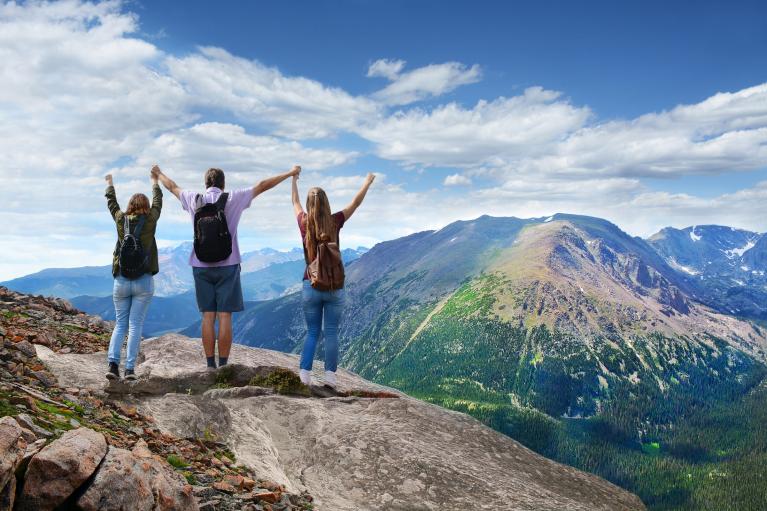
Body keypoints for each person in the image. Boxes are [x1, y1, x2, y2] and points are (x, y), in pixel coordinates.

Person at [153, 164, 301, 369]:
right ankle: (223, 365)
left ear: (206, 184)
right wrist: (289, 173)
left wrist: (158, 174)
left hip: (200, 264)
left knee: (207, 316)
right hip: (229, 265)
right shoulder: (233, 198)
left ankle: (209, 365)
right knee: (224, 316)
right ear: (223, 184)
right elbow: (263, 185)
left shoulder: (192, 198)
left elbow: (172, 186)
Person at [292, 171, 375, 388]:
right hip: (334, 287)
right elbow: (355, 204)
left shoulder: (304, 222)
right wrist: (367, 182)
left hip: (310, 285)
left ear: (310, 205)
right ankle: (330, 378)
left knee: (312, 332)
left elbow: (295, 201)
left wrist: (293, 178)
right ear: (327, 203)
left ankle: (304, 377)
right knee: (331, 333)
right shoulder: (335, 221)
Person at [104, 167, 163, 381]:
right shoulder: (151, 220)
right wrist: (155, 181)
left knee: (120, 324)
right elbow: (158, 202)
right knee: (135, 325)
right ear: (146, 207)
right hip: (144, 280)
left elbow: (112, 205)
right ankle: (129, 369)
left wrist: (110, 184)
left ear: (130, 206)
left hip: (121, 279)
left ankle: (112, 365)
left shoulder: (121, 220)